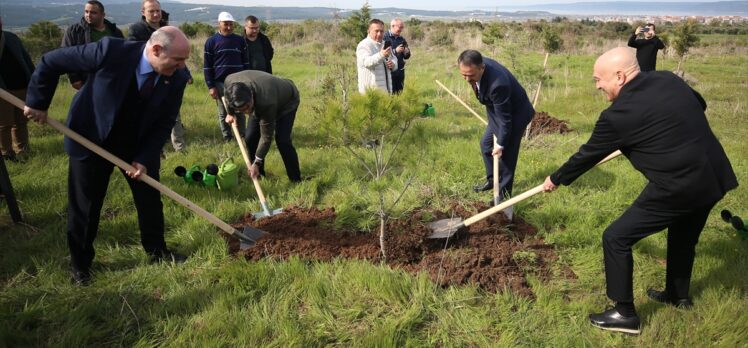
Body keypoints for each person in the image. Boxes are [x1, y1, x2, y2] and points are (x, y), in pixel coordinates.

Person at [542, 47, 738, 334]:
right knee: (683, 238)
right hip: (713, 177)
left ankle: (624, 314)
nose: (597, 85)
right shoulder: (668, 79)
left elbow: (586, 156)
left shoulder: (617, 116)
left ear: (620, 76)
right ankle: (677, 296)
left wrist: (556, 179)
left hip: (678, 186)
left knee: (616, 237)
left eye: (599, 79)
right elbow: (699, 104)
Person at [24, 27, 193, 285]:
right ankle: (81, 266)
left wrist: (145, 158)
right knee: (86, 206)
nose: (182, 67)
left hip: (136, 143)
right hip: (91, 138)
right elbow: (52, 61)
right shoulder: (110, 51)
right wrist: (38, 101)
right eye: (178, 60)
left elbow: (164, 121)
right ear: (156, 50)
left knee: (149, 199)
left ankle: (157, 251)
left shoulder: (177, 78)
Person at [458, 50, 534, 219]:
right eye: (463, 74)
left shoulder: (498, 84)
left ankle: (504, 196)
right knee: (486, 145)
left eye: (470, 75)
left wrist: (500, 144)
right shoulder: (476, 68)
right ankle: (493, 181)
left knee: (506, 155)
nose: (467, 79)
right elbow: (492, 104)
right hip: (498, 111)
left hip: (516, 115)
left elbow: (506, 121)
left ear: (482, 68)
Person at [128, 0, 190, 152]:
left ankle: (179, 146)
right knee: (150, 114)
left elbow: (177, 55)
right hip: (149, 79)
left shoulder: (167, 29)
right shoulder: (137, 30)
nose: (156, 14)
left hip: (169, 76)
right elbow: (135, 52)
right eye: (151, 11)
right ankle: (156, 149)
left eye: (158, 11)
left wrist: (185, 73)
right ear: (143, 12)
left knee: (173, 113)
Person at [222, 70, 302, 182]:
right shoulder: (230, 81)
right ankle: (259, 175)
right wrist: (230, 113)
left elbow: (266, 137)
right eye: (241, 110)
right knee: (250, 138)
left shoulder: (266, 103)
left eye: (247, 108)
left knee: (282, 140)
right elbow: (227, 96)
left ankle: (296, 180)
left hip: (287, 101)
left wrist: (257, 162)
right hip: (261, 99)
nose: (246, 112)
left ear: (251, 96)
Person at [203, 11, 250, 142]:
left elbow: (246, 62)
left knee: (240, 109)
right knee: (223, 111)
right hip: (220, 83)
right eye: (226, 24)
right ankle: (227, 137)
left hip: (239, 81)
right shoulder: (211, 42)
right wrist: (211, 86)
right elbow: (207, 66)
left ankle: (242, 136)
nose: (229, 27)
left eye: (231, 24)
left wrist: (247, 80)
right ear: (219, 24)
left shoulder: (240, 41)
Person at [61, 0, 124, 90]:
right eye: (86, 11)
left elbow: (123, 55)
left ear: (103, 15)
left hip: (112, 80)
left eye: (93, 12)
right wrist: (74, 79)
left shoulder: (115, 32)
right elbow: (66, 55)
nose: (88, 15)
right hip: (86, 81)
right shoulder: (74, 31)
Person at [0, 16, 35, 162]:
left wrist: (34, 78)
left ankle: (23, 150)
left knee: (21, 122)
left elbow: (25, 59)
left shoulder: (11, 37)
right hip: (3, 91)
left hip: (22, 86)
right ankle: (7, 154)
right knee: (4, 124)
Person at [356, 19, 397, 94]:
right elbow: (367, 63)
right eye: (376, 31)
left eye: (381, 31)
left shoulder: (385, 44)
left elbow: (394, 59)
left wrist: (393, 64)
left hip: (386, 92)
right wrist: (381, 55)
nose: (379, 34)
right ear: (369, 31)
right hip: (370, 94)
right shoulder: (363, 45)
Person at [383, 18, 411, 94]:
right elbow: (383, 55)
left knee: (399, 94)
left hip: (400, 72)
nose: (401, 29)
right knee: (389, 94)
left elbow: (407, 56)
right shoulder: (384, 37)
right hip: (389, 72)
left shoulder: (402, 39)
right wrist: (395, 51)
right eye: (400, 27)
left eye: (402, 27)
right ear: (392, 26)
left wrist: (406, 52)